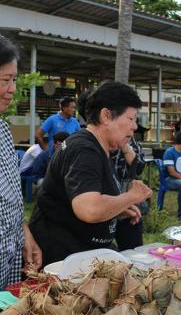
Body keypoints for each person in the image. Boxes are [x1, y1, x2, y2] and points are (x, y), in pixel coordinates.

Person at [29, 82, 152, 267]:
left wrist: (117, 209)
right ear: (106, 116)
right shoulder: (84, 150)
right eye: (131, 119)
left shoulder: (97, 147)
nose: (135, 127)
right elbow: (89, 209)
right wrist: (132, 196)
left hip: (81, 255)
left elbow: (80, 199)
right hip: (64, 262)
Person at [0, 34, 42, 288]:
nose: (13, 89)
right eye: (5, 80)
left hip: (7, 264)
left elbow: (11, 200)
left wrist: (24, 232)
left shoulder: (3, 131)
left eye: (14, 80)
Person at [111, 135, 147, 250]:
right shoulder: (99, 142)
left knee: (132, 249)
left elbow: (139, 168)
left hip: (127, 200)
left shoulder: (132, 142)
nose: (133, 127)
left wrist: (125, 146)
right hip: (104, 199)